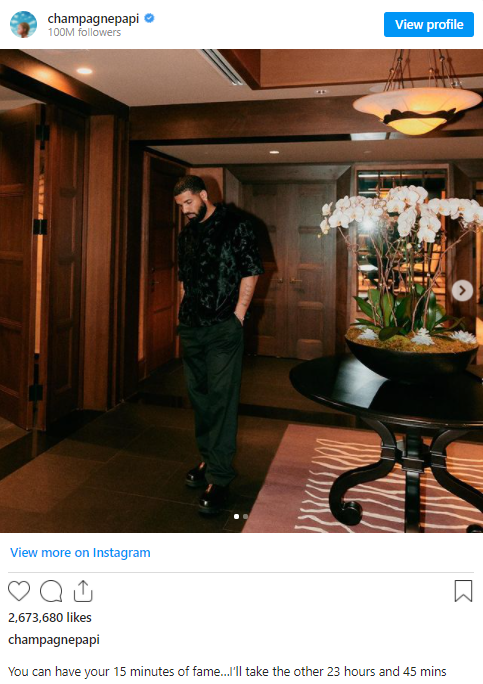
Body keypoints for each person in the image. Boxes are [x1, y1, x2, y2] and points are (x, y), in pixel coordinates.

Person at [174, 175, 264, 516]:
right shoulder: (186, 235)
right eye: (180, 206)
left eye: (189, 202)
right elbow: (184, 279)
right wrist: (184, 313)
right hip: (192, 327)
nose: (185, 210)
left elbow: (251, 270)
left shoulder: (236, 225)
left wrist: (238, 315)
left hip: (224, 327)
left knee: (222, 399)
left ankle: (220, 477)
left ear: (204, 195)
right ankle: (208, 459)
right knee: (199, 397)